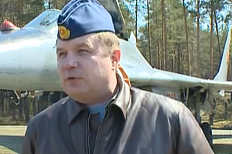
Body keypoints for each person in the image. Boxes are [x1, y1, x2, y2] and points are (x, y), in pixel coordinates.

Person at [21, 0, 214, 153]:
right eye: (62, 53)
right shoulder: (41, 129)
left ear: (114, 58)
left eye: (82, 51)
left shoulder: (169, 119)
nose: (68, 63)